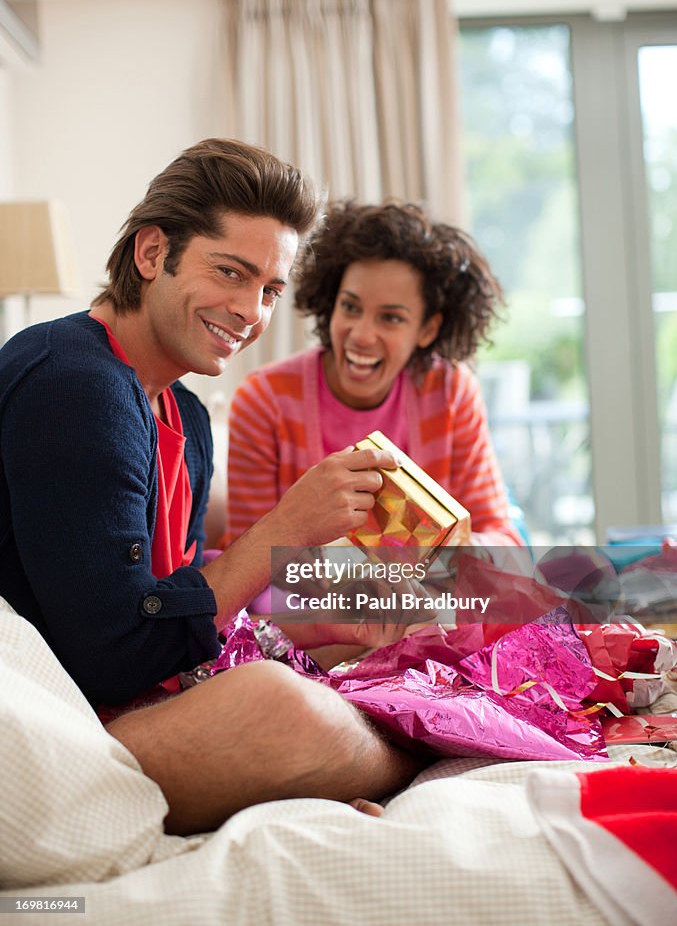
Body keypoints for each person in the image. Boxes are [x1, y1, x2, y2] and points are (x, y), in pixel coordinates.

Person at [0, 140, 421, 834]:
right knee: (279, 708)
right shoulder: (72, 383)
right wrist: (286, 529)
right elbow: (114, 658)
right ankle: (397, 758)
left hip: (144, 698)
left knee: (364, 639)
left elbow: (180, 598)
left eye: (268, 290)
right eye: (230, 272)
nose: (249, 311)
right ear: (150, 253)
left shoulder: (185, 414)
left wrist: (322, 624)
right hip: (70, 726)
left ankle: (337, 764)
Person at [226, 200, 524, 558]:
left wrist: (437, 554)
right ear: (331, 302)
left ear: (428, 329)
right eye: (350, 307)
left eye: (391, 318)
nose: (362, 335)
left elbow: (505, 542)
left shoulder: (450, 393)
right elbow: (244, 562)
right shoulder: (265, 400)